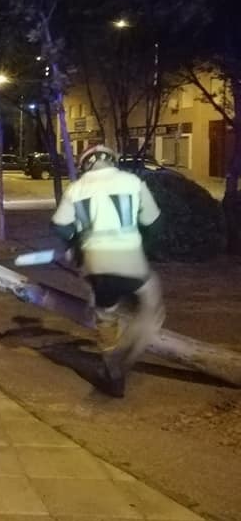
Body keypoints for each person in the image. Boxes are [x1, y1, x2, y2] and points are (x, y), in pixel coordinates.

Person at [51, 144, 164, 397]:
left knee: (105, 314)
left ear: (85, 164)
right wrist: (144, 242)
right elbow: (153, 221)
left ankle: (112, 367)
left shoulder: (76, 188)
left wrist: (75, 242)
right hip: (131, 262)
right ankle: (132, 349)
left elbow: (59, 225)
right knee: (151, 301)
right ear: (112, 161)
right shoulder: (132, 181)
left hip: (96, 265)